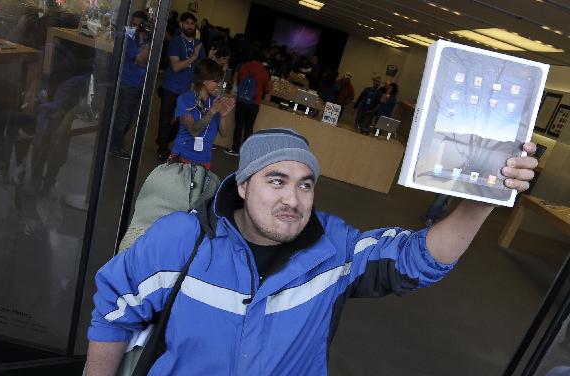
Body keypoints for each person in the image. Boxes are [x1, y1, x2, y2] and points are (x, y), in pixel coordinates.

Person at [85, 127, 538, 375]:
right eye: (276, 181)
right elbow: (112, 312)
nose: (293, 200)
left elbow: (417, 259)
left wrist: (484, 201)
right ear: (243, 185)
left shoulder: (333, 249)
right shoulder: (180, 240)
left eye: (305, 185)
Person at [156, 12, 206, 162]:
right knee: (165, 120)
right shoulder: (175, 42)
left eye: (192, 24)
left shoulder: (198, 45)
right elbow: (176, 66)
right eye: (187, 23)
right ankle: (162, 149)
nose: (190, 26)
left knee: (181, 123)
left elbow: (201, 69)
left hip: (188, 92)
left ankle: (162, 140)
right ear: (181, 24)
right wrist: (193, 57)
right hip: (171, 88)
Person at [171, 59, 235, 168]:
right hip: (182, 157)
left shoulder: (214, 101)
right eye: (216, 81)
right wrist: (212, 112)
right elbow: (194, 131)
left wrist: (223, 117)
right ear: (204, 81)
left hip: (204, 160)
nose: (219, 85)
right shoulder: (185, 99)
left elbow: (224, 134)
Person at [109, 11, 151, 159]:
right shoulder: (129, 36)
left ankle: (113, 141)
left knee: (132, 117)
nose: (136, 27)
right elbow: (139, 59)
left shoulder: (145, 37)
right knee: (124, 117)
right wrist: (147, 44)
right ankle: (115, 146)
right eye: (134, 24)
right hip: (128, 81)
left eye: (140, 24)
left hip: (140, 82)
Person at [224, 50, 271, 157]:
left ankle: (235, 149)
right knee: (249, 127)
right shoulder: (264, 71)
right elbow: (267, 90)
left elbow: (240, 82)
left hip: (242, 101)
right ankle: (246, 152)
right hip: (254, 103)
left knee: (238, 125)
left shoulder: (244, 66)